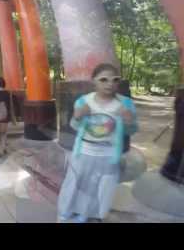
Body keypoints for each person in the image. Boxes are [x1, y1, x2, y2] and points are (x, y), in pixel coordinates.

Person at [57, 63, 138, 223]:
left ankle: (91, 215)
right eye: (103, 79)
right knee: (74, 184)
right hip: (84, 151)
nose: (110, 84)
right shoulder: (83, 101)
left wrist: (129, 121)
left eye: (115, 80)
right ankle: (65, 214)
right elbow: (74, 126)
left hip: (109, 154)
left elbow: (131, 131)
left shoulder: (126, 104)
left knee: (102, 188)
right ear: (94, 81)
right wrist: (78, 116)